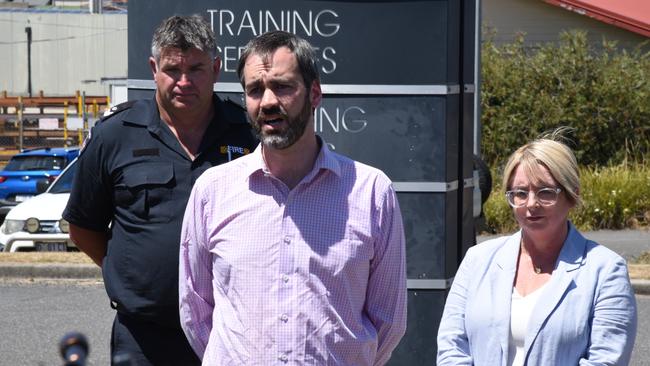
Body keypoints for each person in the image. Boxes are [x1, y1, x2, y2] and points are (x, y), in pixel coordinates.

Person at [179, 30, 408, 365]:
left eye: (283, 86)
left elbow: (389, 321)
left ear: (314, 93)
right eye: (255, 90)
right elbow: (195, 310)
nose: (268, 101)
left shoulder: (371, 193)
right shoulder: (212, 192)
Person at [62, 15, 257, 365]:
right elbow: (82, 225)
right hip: (143, 337)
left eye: (196, 68)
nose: (184, 82)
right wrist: (126, 274)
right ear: (154, 68)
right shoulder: (115, 134)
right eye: (172, 69)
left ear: (216, 68)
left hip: (231, 331)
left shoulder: (247, 134)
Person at [436, 130, 637, 365]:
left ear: (572, 195)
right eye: (520, 193)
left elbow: (606, 360)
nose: (531, 204)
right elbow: (452, 347)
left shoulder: (605, 271)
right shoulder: (478, 259)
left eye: (545, 192)